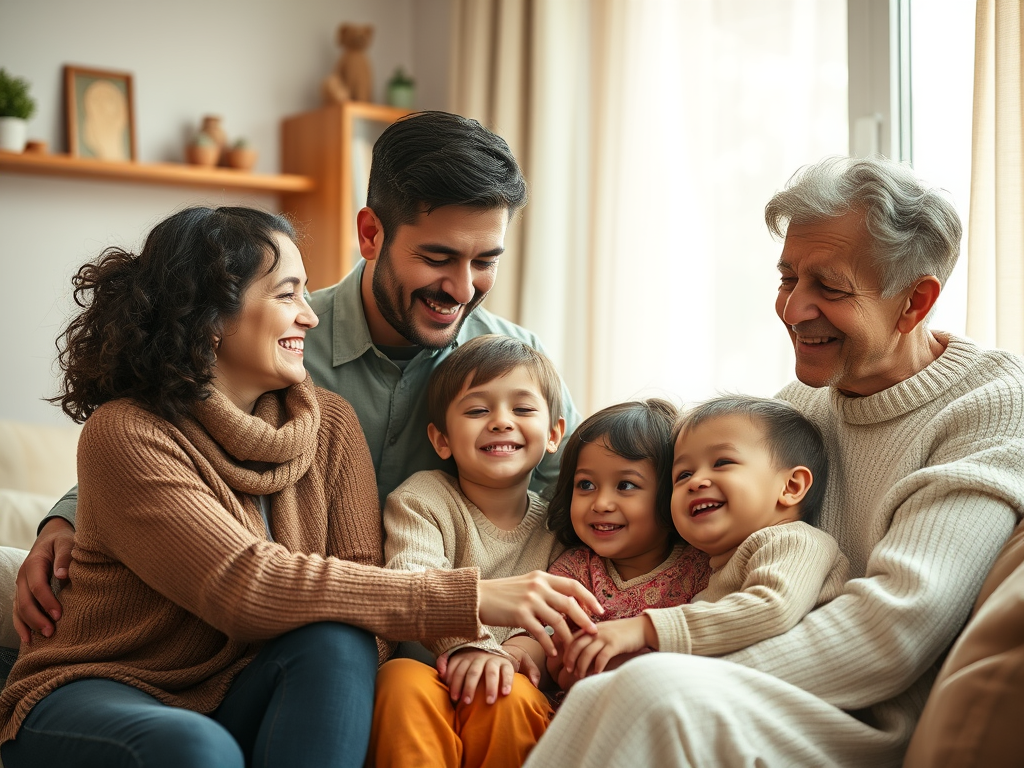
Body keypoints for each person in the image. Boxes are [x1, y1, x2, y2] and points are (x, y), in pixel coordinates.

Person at [0, 207, 601, 768]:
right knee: (194, 746)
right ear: (210, 316)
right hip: (107, 687)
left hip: (247, 684)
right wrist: (472, 598)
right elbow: (242, 583)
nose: (309, 314)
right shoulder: (126, 430)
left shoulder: (331, 426)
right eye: (287, 293)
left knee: (343, 639)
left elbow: (365, 599)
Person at [525, 156, 1024, 767]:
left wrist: (680, 656)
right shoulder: (802, 403)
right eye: (788, 279)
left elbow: (894, 632)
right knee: (614, 690)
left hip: (860, 716)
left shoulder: (986, 404)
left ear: (914, 302)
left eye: (829, 288)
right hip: (758, 677)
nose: (793, 310)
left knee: (652, 692)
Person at [12, 110, 581, 646]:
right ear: (371, 234)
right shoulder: (276, 341)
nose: (461, 289)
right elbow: (158, 434)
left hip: (468, 643)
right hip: (299, 626)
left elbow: (580, 493)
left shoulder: (517, 365)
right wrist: (67, 519)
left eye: (484, 261)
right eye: (437, 258)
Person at [369, 334, 568, 768]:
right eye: (478, 410)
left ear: (553, 434)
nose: (500, 421)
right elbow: (412, 575)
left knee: (511, 697)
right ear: (441, 440)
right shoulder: (421, 498)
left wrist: (517, 654)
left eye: (522, 408)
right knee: (398, 681)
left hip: (512, 679)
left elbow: (559, 620)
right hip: (432, 668)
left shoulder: (561, 523)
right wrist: (471, 646)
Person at [560, 394, 849, 680]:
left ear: (791, 486)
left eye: (722, 462)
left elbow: (771, 608)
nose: (696, 481)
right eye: (683, 475)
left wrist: (644, 629)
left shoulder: (794, 541)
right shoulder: (717, 566)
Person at [525, 399, 714, 694]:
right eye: (586, 485)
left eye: (625, 486)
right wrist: (517, 657)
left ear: (669, 494)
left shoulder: (702, 569)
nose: (600, 504)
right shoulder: (574, 570)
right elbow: (537, 639)